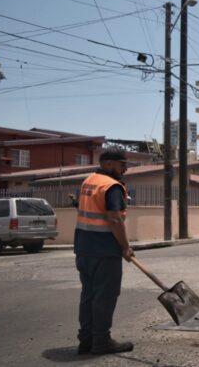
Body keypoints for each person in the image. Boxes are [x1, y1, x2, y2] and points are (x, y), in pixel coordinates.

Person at [74, 148, 134, 355]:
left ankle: (87, 340)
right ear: (109, 163)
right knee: (105, 296)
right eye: (122, 164)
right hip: (104, 250)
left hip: (83, 248)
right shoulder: (112, 186)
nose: (125, 169)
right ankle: (101, 342)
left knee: (89, 295)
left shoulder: (89, 181)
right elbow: (115, 219)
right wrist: (125, 247)